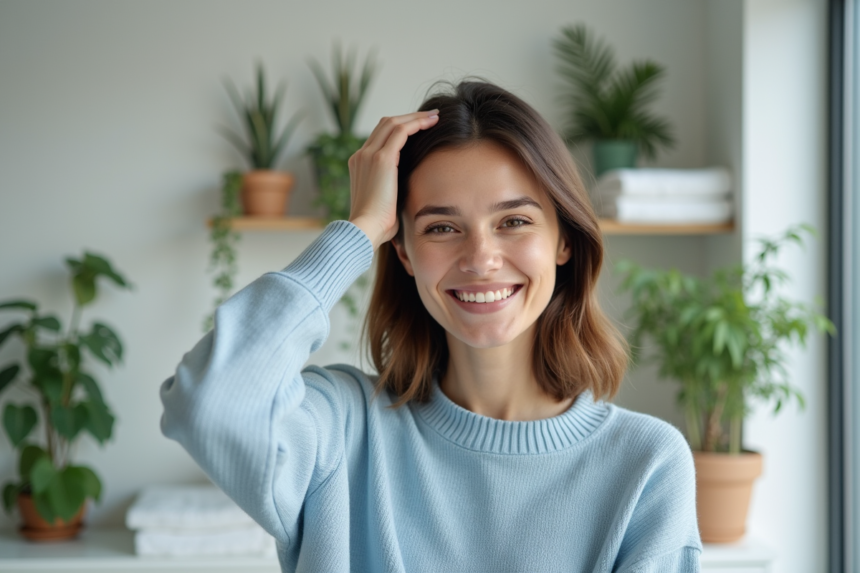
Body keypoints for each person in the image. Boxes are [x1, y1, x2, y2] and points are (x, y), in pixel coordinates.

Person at [160, 81, 702, 572]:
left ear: (564, 240)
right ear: (405, 254)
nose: (481, 258)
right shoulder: (342, 428)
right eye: (441, 227)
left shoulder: (646, 463)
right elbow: (211, 404)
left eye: (514, 221)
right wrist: (359, 229)